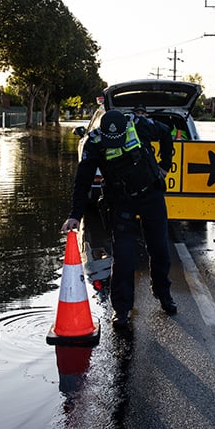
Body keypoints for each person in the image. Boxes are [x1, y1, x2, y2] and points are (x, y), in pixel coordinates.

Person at [61, 108, 177, 329]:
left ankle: (163, 294)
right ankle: (122, 310)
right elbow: (82, 180)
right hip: (120, 200)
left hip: (150, 194)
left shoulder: (140, 125)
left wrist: (165, 165)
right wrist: (75, 215)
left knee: (159, 248)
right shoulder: (93, 143)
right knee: (123, 258)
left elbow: (165, 133)